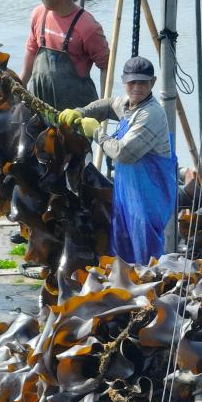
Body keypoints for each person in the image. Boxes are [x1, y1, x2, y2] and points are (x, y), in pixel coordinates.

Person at [57, 56, 176, 265]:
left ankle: (152, 282)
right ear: (124, 81)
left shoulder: (151, 114)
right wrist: (80, 112)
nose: (137, 87)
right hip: (127, 193)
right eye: (132, 82)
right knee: (122, 245)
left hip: (150, 196)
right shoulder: (129, 104)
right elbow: (108, 105)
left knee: (146, 252)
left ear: (153, 82)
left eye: (143, 82)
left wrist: (97, 133)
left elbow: (123, 153)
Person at [20, 0, 109, 110]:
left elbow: (106, 67)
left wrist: (104, 107)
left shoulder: (88, 27)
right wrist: (20, 87)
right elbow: (31, 51)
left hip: (76, 109)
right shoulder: (38, 14)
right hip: (39, 102)